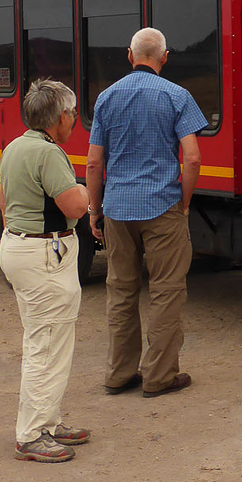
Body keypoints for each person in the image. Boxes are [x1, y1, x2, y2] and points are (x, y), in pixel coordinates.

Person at [86, 28, 207, 398]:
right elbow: (192, 157)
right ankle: (160, 376)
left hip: (118, 209)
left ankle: (119, 373)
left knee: (121, 292)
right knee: (166, 292)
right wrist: (184, 201)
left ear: (129, 56)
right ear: (165, 58)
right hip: (162, 207)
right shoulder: (177, 96)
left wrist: (95, 210)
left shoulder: (106, 98)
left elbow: (93, 163)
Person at [0, 79, 90, 462]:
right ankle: (32, 433)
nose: (74, 121)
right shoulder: (49, 154)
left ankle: (48, 422)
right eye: (72, 114)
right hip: (44, 252)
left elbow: (4, 202)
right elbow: (74, 207)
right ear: (61, 115)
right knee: (47, 344)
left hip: (19, 245)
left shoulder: (14, 147)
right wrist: (84, 190)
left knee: (47, 339)